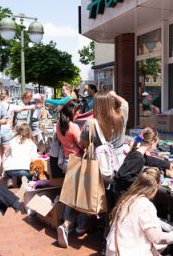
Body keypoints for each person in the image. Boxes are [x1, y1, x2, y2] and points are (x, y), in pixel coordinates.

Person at [106, 168, 173, 256]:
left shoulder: (126, 199)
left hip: (114, 250)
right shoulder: (146, 205)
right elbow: (157, 238)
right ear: (156, 186)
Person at [56, 99, 87, 248]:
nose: (80, 113)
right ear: (72, 112)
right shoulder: (73, 126)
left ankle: (69, 223)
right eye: (78, 111)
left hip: (67, 161)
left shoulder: (59, 124)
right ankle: (73, 225)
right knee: (80, 197)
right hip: (77, 161)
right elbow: (81, 144)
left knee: (70, 195)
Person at [112, 128, 171, 201]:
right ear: (152, 142)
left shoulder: (138, 152)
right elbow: (123, 176)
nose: (156, 147)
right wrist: (143, 178)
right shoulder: (137, 157)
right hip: (123, 195)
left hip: (123, 192)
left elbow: (149, 160)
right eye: (156, 144)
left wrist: (168, 164)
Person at [81, 90, 129, 165]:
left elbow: (84, 143)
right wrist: (114, 95)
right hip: (118, 161)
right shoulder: (121, 116)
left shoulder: (90, 123)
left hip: (99, 162)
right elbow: (125, 103)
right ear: (110, 103)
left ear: (95, 105)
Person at [2, 123, 38, 187]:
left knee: (10, 170)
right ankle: (25, 182)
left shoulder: (12, 141)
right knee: (29, 175)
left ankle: (10, 179)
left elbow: (6, 154)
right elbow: (34, 159)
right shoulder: (31, 143)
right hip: (24, 170)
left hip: (9, 169)